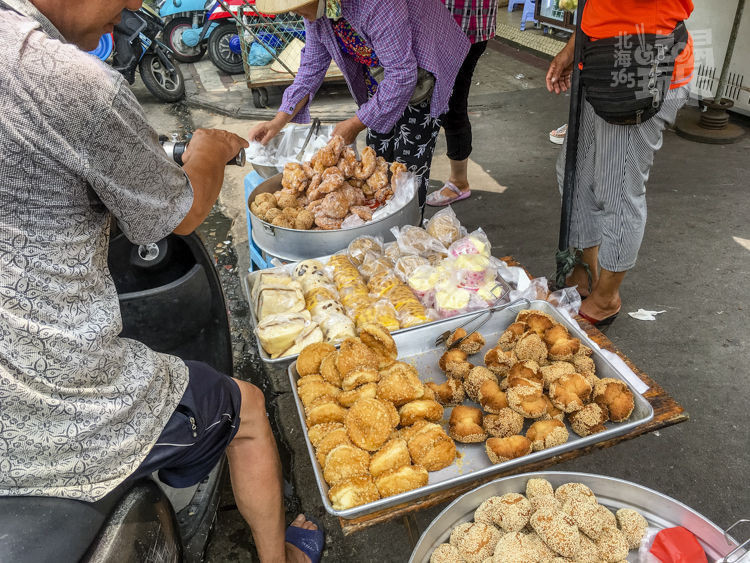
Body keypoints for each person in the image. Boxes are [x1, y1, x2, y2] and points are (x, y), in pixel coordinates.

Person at [0, 1, 322, 561]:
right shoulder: (64, 79)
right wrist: (209, 150)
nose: (131, 8)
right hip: (46, 400)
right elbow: (182, 213)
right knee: (246, 408)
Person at [546, 0, 694, 325]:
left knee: (617, 190)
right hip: (600, 64)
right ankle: (585, 272)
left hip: (642, 71)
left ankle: (606, 297)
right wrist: (574, 48)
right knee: (574, 175)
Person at [249, 0, 470, 209]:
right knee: (375, 165)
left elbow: (402, 74)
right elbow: (311, 67)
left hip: (423, 63)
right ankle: (381, 226)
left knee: (407, 172)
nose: (294, 12)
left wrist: (356, 123)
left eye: (298, 5)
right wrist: (278, 121)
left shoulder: (375, 4)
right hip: (383, 72)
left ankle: (407, 236)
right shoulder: (317, 11)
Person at [426, 0, 499, 207]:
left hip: (461, 26)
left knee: (452, 104)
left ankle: (459, 182)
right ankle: (456, 181)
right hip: (462, 25)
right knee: (449, 102)